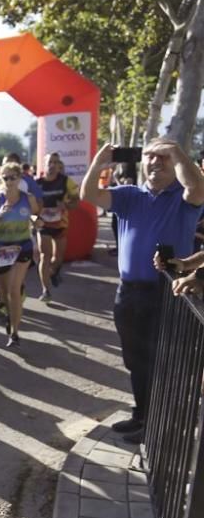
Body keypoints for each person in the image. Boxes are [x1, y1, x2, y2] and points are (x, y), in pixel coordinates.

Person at [81, 139, 204, 444]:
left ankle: (159, 425)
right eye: (150, 157)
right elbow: (88, 194)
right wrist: (99, 162)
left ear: (175, 164)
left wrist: (175, 151)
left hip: (165, 292)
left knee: (162, 362)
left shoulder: (184, 197)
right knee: (135, 360)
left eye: (163, 159)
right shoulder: (129, 196)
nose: (155, 163)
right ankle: (142, 415)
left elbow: (198, 188)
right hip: (129, 292)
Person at [0, 162, 42, 346]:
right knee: (4, 291)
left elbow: (35, 215)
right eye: (5, 177)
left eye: (13, 177)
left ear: (20, 179)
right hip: (1, 248)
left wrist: (36, 221)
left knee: (13, 290)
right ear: (0, 179)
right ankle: (10, 315)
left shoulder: (29, 198)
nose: (9, 181)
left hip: (22, 247)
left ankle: (15, 332)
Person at [36, 152, 80, 299]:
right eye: (50, 163)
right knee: (44, 255)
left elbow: (76, 202)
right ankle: (45, 290)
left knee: (58, 258)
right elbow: (31, 205)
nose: (52, 165)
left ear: (59, 165)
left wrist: (66, 204)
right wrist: (35, 215)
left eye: (55, 163)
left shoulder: (66, 181)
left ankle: (53, 272)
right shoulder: (37, 183)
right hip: (43, 224)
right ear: (44, 165)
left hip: (60, 223)